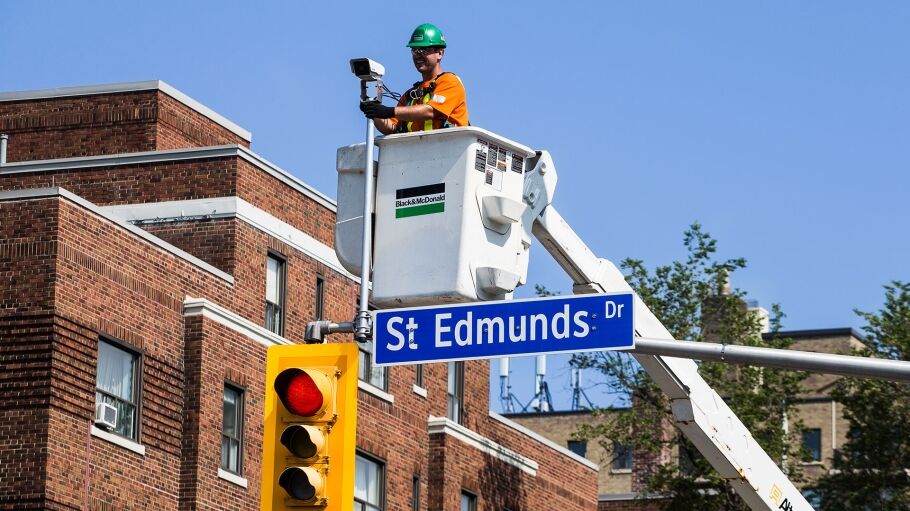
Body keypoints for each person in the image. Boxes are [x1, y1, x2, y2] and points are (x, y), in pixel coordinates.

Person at [360, 23, 469, 134]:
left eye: (424, 50)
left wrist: (389, 111)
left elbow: (430, 111)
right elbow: (392, 128)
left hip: (450, 148)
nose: (418, 55)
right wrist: (374, 111)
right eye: (415, 50)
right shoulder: (410, 96)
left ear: (440, 53)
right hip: (418, 150)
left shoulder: (450, 82)